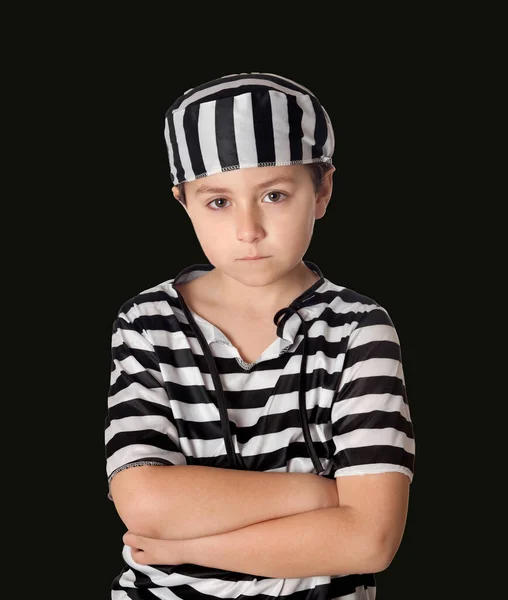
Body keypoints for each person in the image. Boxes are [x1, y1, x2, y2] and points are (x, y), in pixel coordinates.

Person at [104, 72, 416, 599]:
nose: (248, 230)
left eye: (273, 194)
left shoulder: (359, 328)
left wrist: (187, 548)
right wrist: (322, 497)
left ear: (322, 191)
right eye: (218, 201)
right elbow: (145, 504)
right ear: (183, 201)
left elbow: (369, 540)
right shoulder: (147, 321)